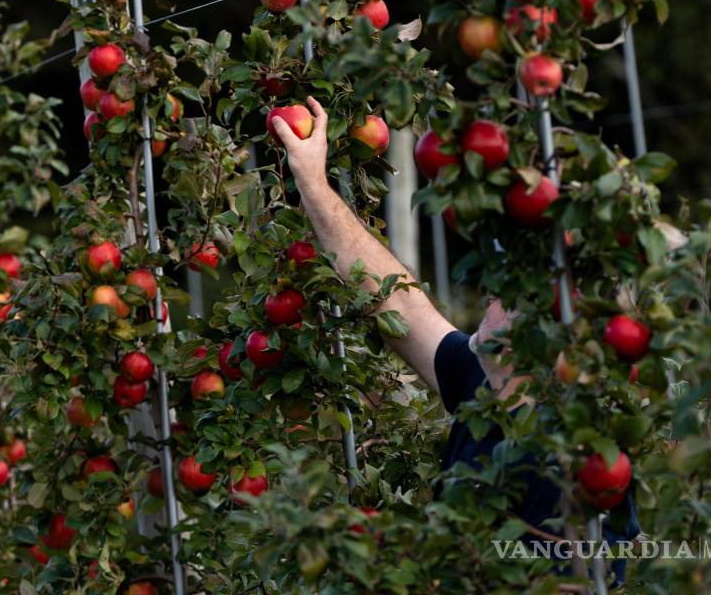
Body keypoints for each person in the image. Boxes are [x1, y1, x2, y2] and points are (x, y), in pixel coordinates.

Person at [270, 97, 638, 580]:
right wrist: (314, 183)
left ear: (549, 327)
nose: (489, 292)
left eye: (507, 291)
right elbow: (396, 301)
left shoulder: (571, 460)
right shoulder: (479, 381)